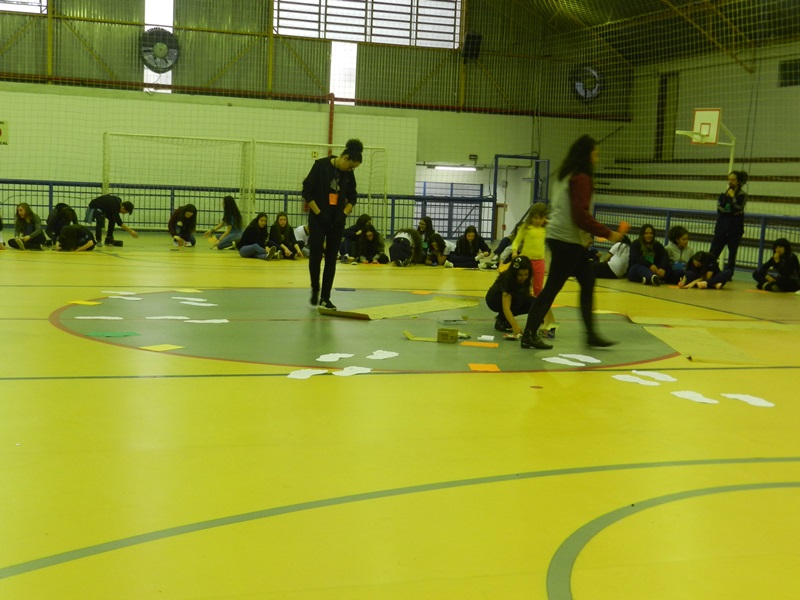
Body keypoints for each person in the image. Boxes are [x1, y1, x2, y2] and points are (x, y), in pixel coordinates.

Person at [520, 135, 624, 350]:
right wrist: (607, 233)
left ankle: (591, 334)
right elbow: (580, 215)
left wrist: (585, 237)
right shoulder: (581, 177)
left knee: (587, 281)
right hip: (566, 240)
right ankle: (529, 334)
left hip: (565, 239)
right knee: (552, 288)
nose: (597, 158)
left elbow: (572, 213)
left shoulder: (564, 175)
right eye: (595, 154)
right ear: (586, 154)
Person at [303, 138, 362, 310]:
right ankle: (315, 288)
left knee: (331, 259)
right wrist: (319, 213)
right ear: (344, 158)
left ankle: (325, 297)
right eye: (350, 166)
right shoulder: (320, 166)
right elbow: (307, 192)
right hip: (318, 219)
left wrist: (343, 214)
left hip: (336, 222)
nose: (351, 170)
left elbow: (353, 198)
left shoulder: (348, 174)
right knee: (315, 256)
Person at [485, 256, 536, 337]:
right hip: (494, 300)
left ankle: (505, 318)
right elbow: (506, 307)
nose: (523, 278)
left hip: (512, 297)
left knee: (533, 302)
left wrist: (538, 306)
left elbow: (528, 295)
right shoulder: (507, 280)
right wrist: (515, 326)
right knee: (518, 299)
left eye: (526, 274)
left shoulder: (525, 279)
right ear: (514, 273)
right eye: (520, 275)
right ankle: (502, 320)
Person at [709, 170, 748, 272]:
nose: (730, 182)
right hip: (721, 227)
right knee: (713, 252)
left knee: (732, 254)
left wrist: (733, 198)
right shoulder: (724, 194)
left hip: (735, 229)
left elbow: (738, 207)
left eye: (733, 180)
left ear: (738, 181)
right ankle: (711, 270)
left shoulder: (742, 195)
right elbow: (720, 209)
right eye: (729, 179)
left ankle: (728, 273)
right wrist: (731, 210)